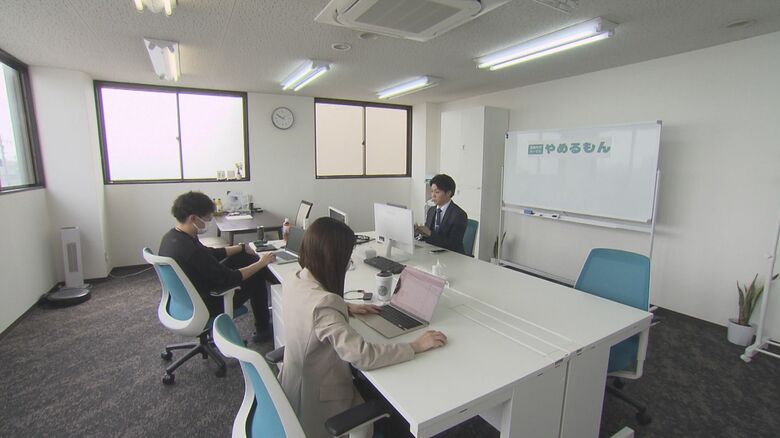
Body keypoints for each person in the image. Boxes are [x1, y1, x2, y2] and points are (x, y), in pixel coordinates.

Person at [279, 217, 447, 438]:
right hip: (319, 402)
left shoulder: (295, 278)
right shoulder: (324, 306)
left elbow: (310, 308)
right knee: (397, 409)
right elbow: (363, 356)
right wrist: (415, 346)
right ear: (334, 260)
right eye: (346, 259)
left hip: (293, 386)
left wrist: (345, 307)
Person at [158, 191, 276, 343]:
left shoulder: (173, 237)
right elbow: (230, 278)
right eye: (207, 218)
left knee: (244, 257)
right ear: (193, 218)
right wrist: (261, 263)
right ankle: (263, 329)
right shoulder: (191, 250)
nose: (209, 221)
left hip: (188, 296)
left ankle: (277, 281)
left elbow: (209, 254)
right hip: (209, 301)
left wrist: (240, 247)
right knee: (257, 274)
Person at [414, 174, 468, 254]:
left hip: (452, 256)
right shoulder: (431, 211)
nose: (433, 195)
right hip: (433, 253)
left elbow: (453, 244)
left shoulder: (459, 215)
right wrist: (420, 232)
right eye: (432, 191)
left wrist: (429, 233)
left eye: (437, 192)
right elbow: (428, 237)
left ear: (448, 193)